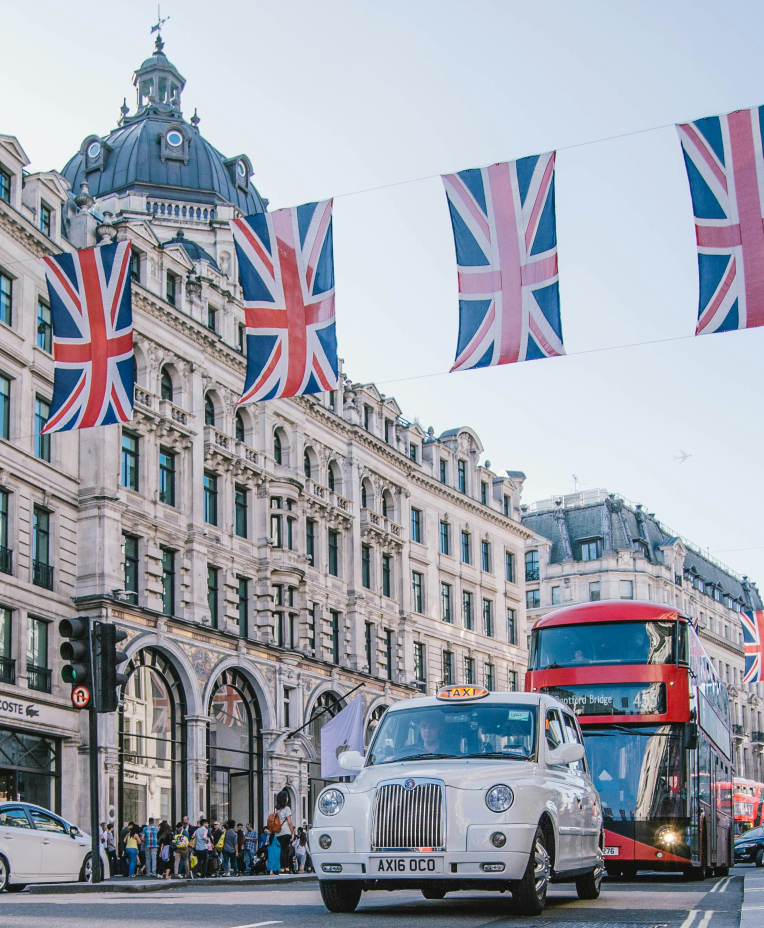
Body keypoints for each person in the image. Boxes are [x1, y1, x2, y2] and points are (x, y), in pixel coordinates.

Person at [274, 790, 294, 873]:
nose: (288, 798)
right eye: (287, 797)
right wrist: (293, 833)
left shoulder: (276, 809)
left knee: (283, 850)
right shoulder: (287, 809)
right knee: (285, 850)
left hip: (278, 833)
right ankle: (285, 868)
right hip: (286, 832)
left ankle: (284, 868)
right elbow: (290, 822)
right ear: (285, 799)